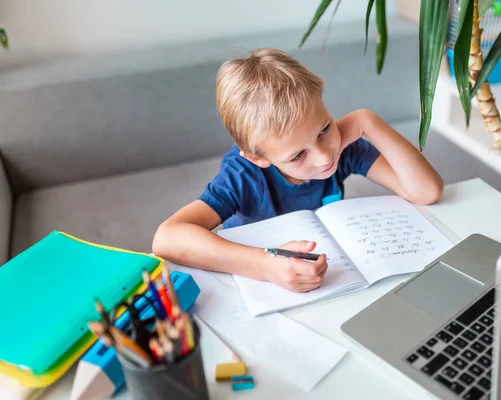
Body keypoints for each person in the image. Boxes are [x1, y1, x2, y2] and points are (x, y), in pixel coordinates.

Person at [152, 48, 443, 293]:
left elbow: (426, 190)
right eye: (298, 155)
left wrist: (368, 122)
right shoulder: (243, 176)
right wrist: (266, 265)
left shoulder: (342, 146)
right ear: (258, 158)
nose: (323, 157)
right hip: (258, 285)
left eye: (324, 129)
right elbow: (167, 238)